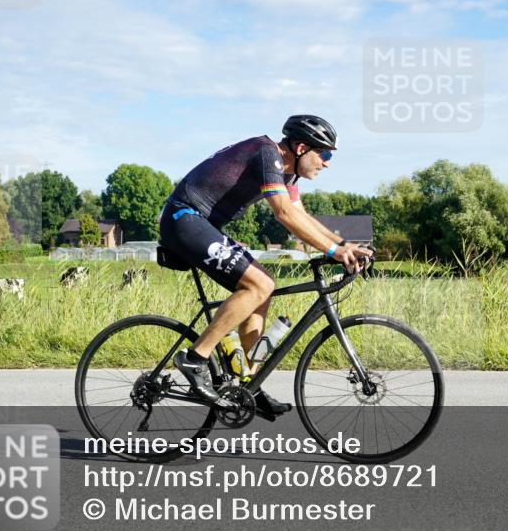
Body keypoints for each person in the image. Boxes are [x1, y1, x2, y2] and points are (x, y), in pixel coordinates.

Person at [158, 115, 373, 420]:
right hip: (184, 218)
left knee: (262, 288)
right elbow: (283, 214)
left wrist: (344, 244)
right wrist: (333, 251)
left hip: (201, 224)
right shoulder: (266, 153)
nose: (326, 163)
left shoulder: (288, 175)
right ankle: (195, 358)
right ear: (301, 148)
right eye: (324, 154)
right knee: (259, 284)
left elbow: (301, 216)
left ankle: (249, 383)